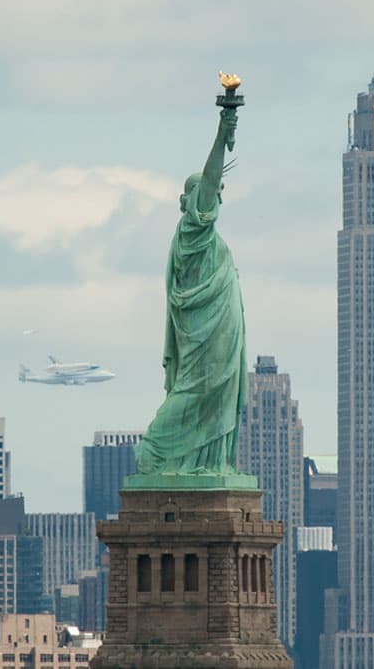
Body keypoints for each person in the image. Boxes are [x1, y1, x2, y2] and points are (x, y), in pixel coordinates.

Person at [135, 104, 246, 475]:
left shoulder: (204, 236)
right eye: (208, 194)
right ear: (195, 199)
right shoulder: (191, 231)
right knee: (197, 388)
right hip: (203, 329)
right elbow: (212, 178)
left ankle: (210, 461)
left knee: (218, 391)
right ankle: (156, 450)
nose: (215, 198)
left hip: (221, 324)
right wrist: (223, 128)